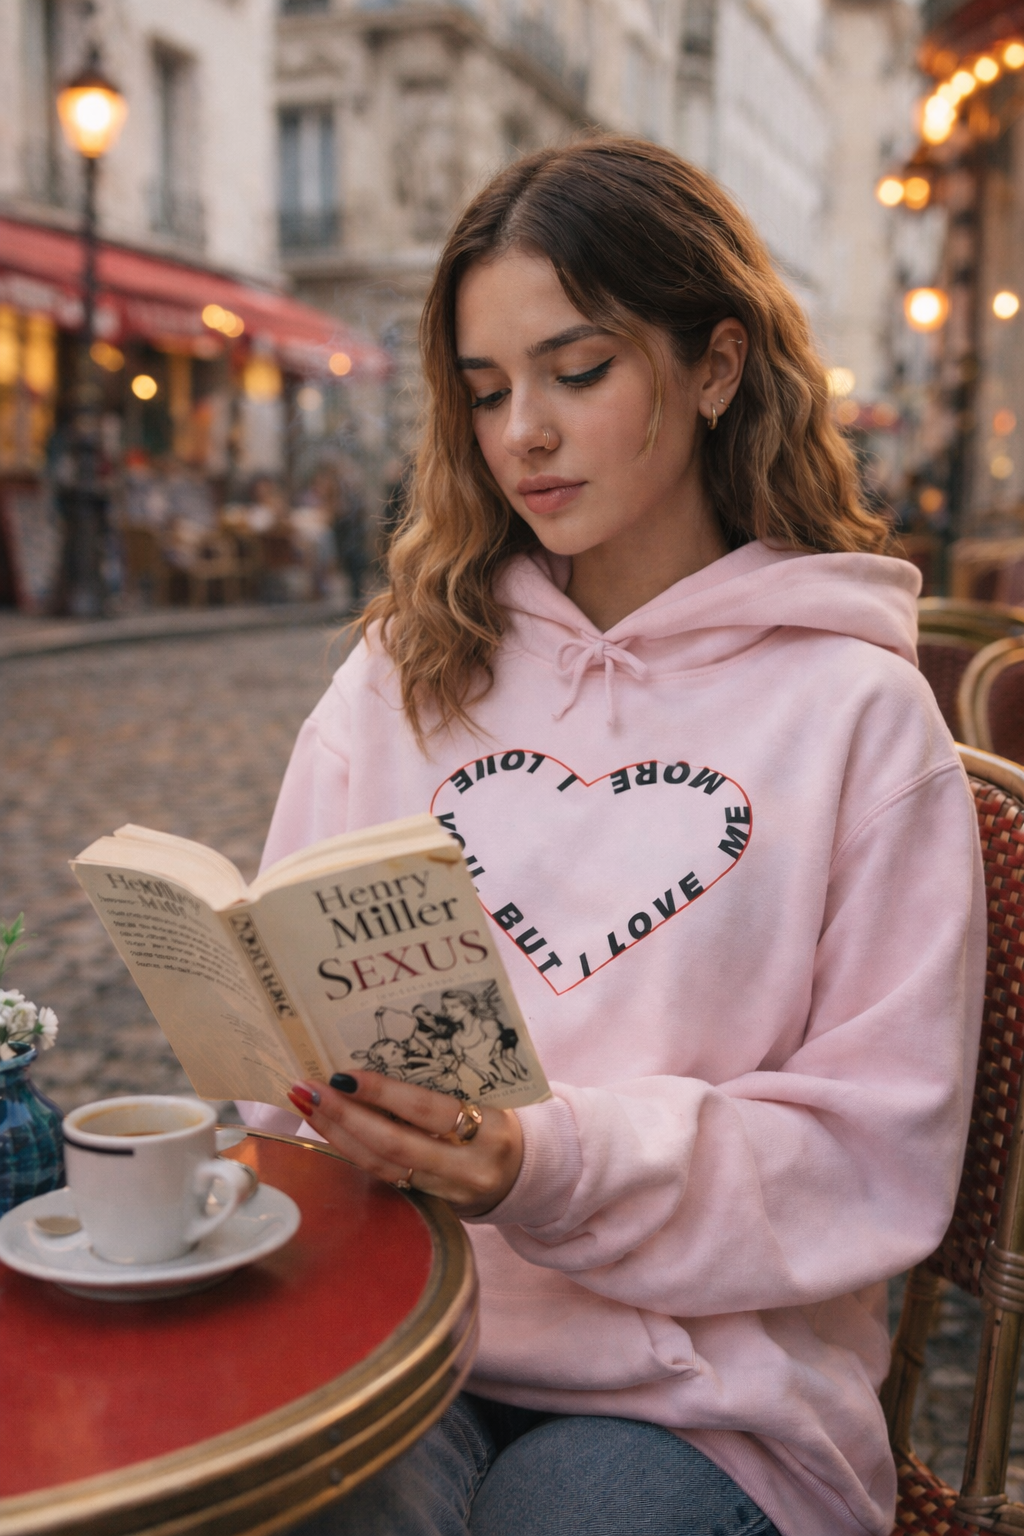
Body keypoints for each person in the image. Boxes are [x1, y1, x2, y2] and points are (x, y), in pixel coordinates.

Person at [239, 137, 986, 1536]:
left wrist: (545, 1161)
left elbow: (876, 1158)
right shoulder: (405, 672)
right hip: (397, 1340)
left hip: (704, 1396)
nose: (522, 431)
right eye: (484, 390)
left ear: (714, 367)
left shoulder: (854, 717)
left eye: (578, 373)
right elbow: (279, 1026)